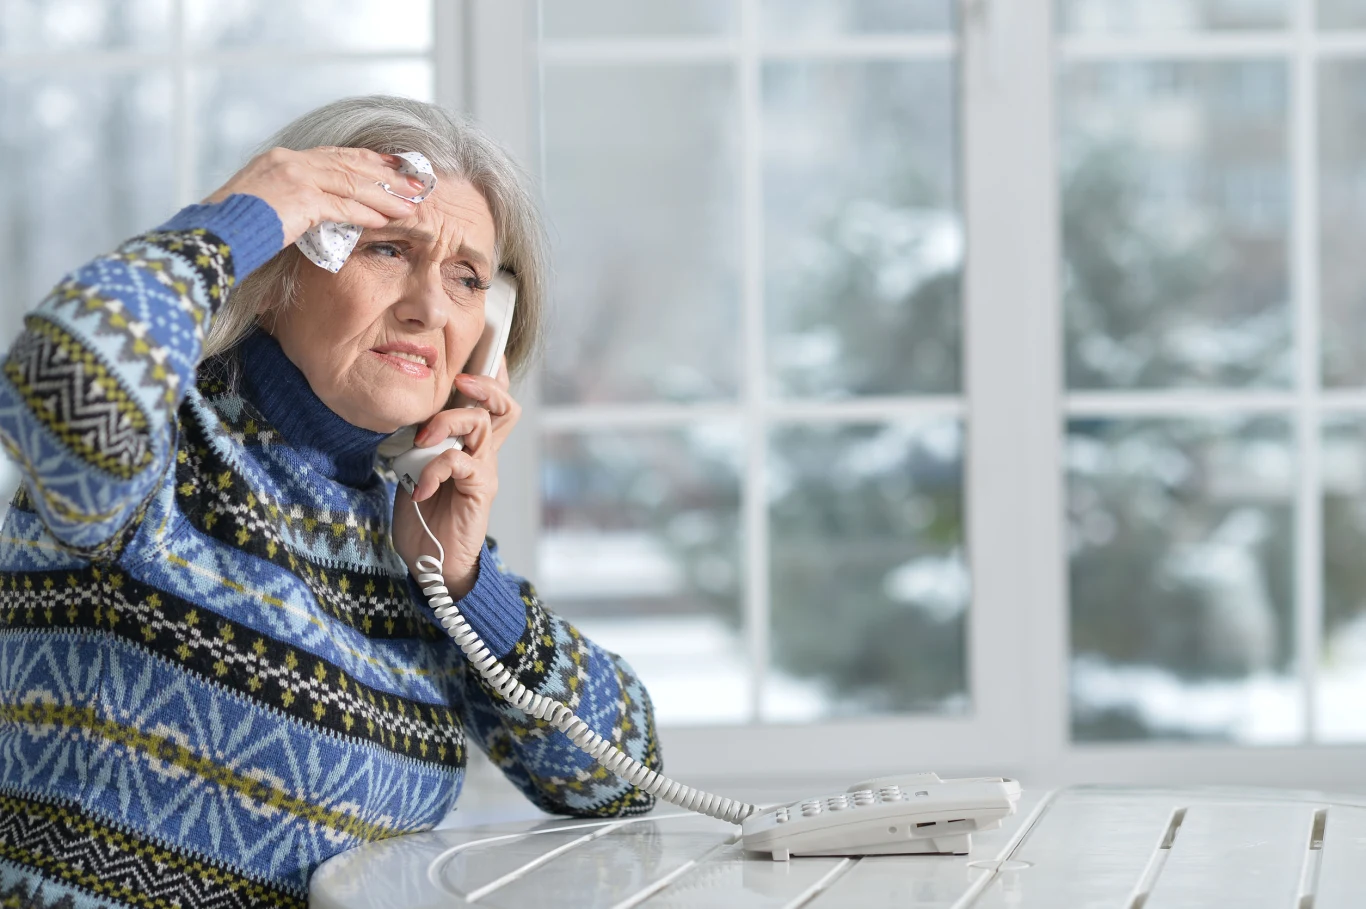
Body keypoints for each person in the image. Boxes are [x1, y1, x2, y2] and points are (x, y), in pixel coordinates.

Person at [0, 95, 660, 909]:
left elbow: (625, 773)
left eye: (466, 278)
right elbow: (57, 378)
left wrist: (464, 582)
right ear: (276, 273)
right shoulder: (158, 453)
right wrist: (241, 217)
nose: (429, 307)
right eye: (388, 248)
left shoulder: (406, 528)